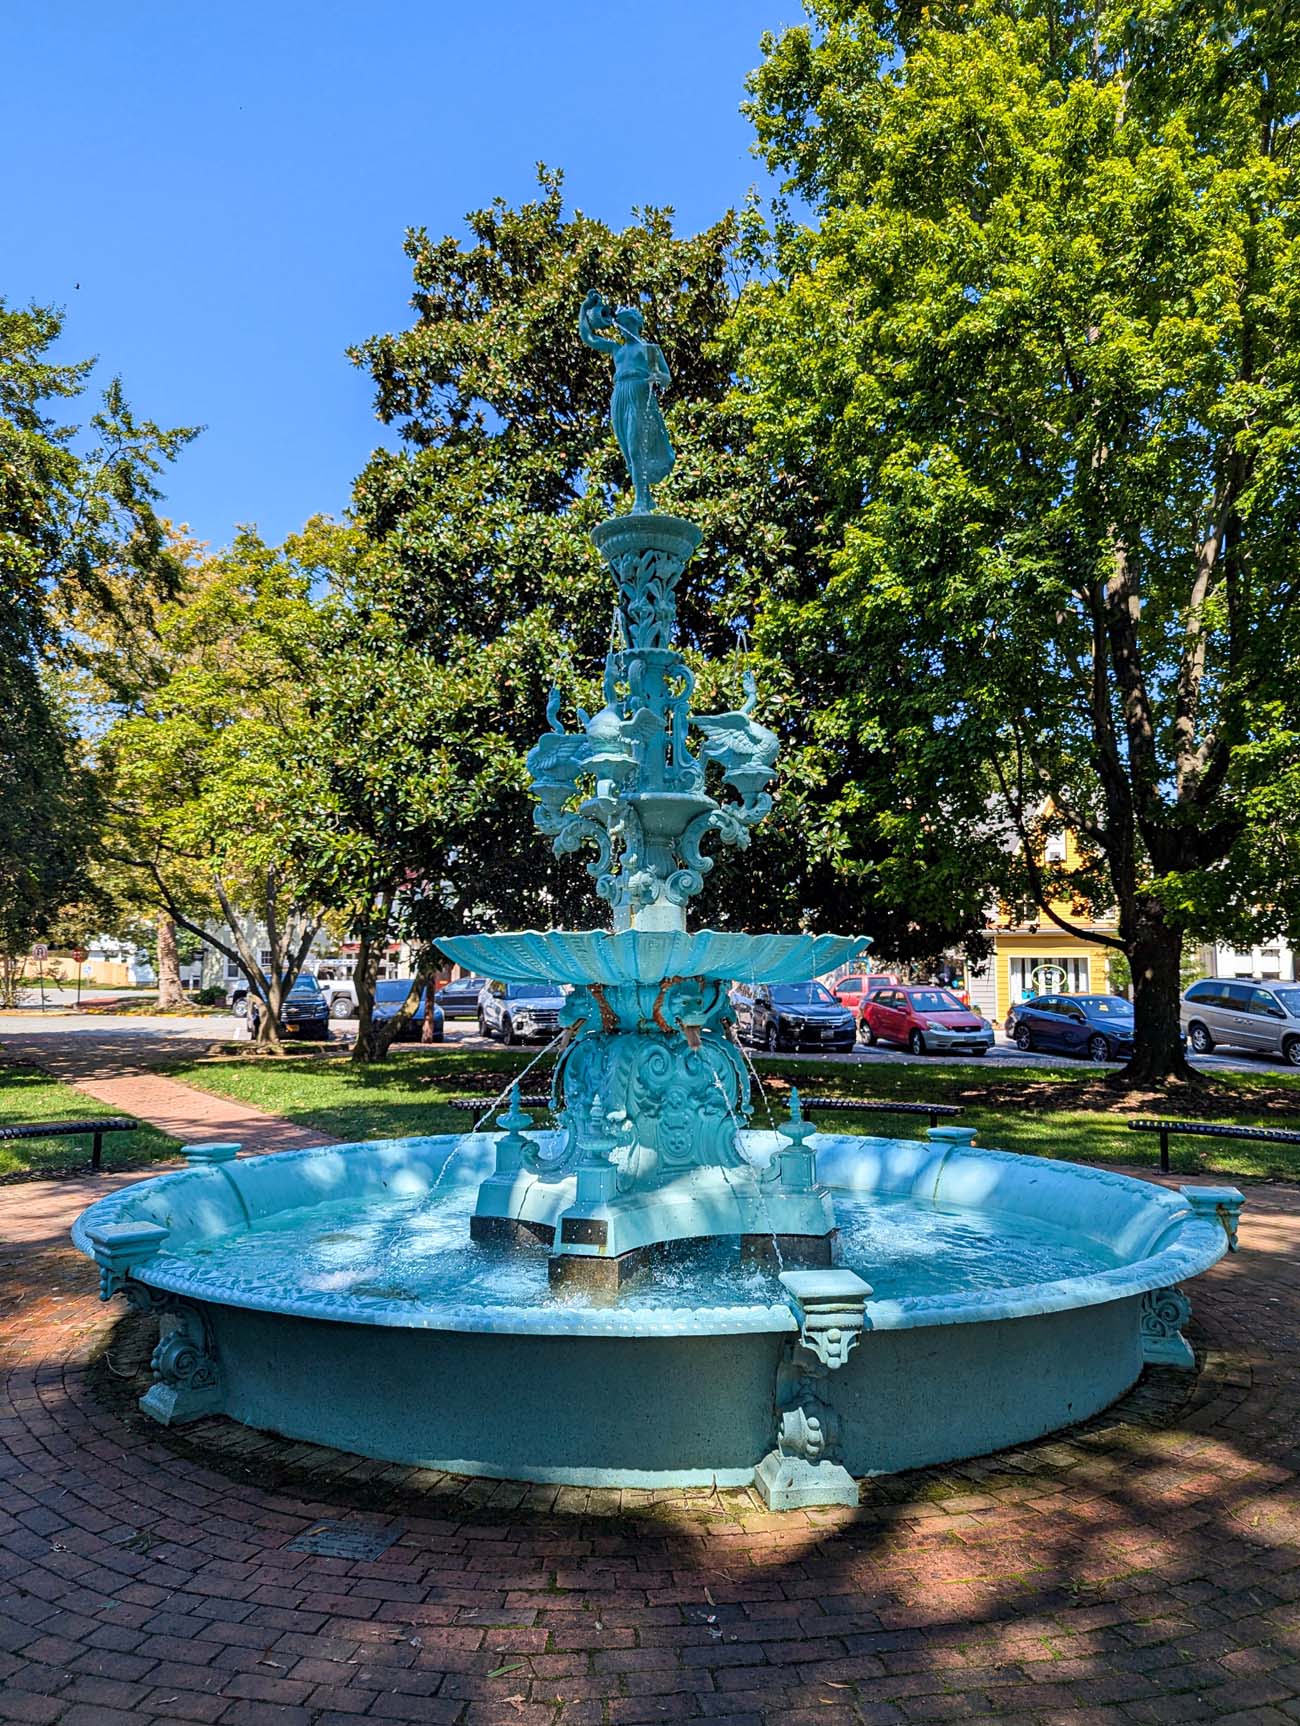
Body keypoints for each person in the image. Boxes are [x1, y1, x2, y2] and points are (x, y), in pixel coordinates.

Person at [579, 290, 675, 512]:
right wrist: (585, 308)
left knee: (634, 445)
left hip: (640, 395)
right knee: (626, 447)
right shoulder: (616, 349)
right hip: (620, 394)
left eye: (624, 323)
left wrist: (655, 377)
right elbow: (588, 337)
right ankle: (644, 496)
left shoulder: (648, 350)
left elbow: (666, 379)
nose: (621, 328)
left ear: (633, 324)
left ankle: (641, 500)